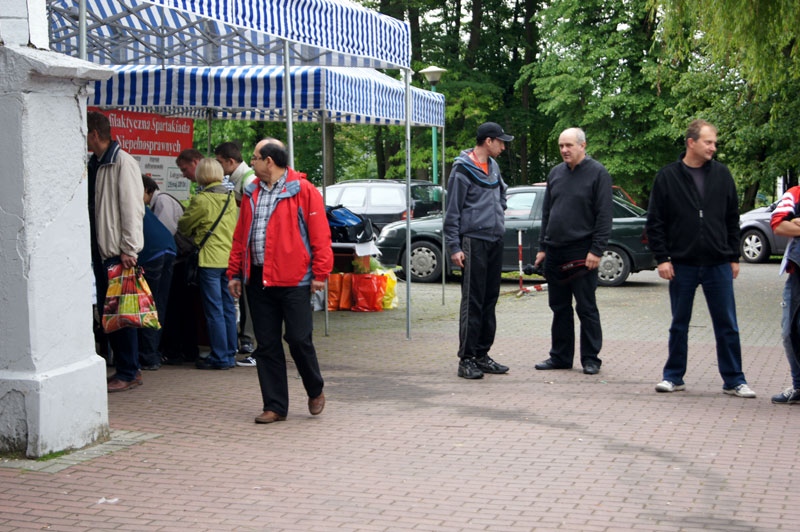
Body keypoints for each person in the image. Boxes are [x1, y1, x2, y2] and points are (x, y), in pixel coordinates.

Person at [646, 119, 756, 398]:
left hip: (718, 262)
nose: (713, 147)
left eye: (714, 142)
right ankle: (673, 377)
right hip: (681, 263)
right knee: (679, 323)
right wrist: (662, 258)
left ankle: (734, 380)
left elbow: (732, 218)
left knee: (727, 324)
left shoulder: (722, 174)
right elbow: (655, 222)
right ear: (691, 143)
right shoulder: (667, 177)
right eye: (708, 142)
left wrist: (734, 256)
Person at [227, 138, 332, 423]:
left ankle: (314, 388)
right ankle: (274, 406)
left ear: (269, 161)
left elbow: (320, 234)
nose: (251, 163)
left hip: (295, 279)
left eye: (255, 158)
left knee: (298, 339)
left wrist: (320, 274)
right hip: (258, 279)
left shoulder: (303, 190)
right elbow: (240, 236)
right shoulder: (251, 191)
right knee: (267, 344)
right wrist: (234, 273)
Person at [533, 128, 612, 376]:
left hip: (582, 252)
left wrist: (596, 250)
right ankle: (560, 357)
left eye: (569, 145)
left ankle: (591, 358)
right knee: (559, 307)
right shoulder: (555, 173)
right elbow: (547, 213)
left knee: (586, 307)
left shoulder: (598, 173)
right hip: (555, 250)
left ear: (583, 145)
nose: (564, 150)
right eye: (561, 146)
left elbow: (604, 215)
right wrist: (542, 248)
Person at [444, 122, 513, 380]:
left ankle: (483, 355)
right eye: (500, 142)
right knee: (473, 301)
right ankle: (467, 359)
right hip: (473, 242)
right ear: (488, 141)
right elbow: (452, 211)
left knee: (490, 299)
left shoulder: (493, 167)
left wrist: (498, 213)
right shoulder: (462, 170)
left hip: (495, 239)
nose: (503, 147)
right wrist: (454, 246)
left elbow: (502, 193)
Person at [87, 111, 145, 393]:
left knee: (121, 314)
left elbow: (132, 208)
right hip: (103, 251)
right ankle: (126, 367)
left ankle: (128, 370)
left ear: (94, 134)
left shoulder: (121, 162)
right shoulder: (97, 163)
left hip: (115, 252)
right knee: (112, 314)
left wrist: (129, 248)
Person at [178, 158, 239, 370]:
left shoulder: (201, 200)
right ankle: (230, 353)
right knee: (228, 307)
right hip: (228, 259)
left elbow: (184, 225)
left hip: (210, 259)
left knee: (214, 310)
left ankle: (219, 356)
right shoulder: (231, 197)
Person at [214, 142, 258, 364]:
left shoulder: (248, 181)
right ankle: (246, 337)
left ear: (231, 162)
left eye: (220, 162)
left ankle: (248, 337)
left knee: (248, 295)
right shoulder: (240, 180)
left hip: (248, 246)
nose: (218, 167)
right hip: (244, 244)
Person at [137, 196, 177, 371]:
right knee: (159, 303)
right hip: (168, 248)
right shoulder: (140, 204)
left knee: (147, 305)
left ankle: (148, 355)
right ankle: (153, 353)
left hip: (150, 252)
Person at [769, 187, 800, 404]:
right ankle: (799, 386)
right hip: (797, 274)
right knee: (790, 332)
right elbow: (778, 225)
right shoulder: (795, 193)